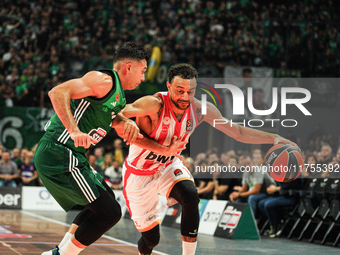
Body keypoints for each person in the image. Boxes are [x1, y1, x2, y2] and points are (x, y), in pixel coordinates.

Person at [121, 63, 297, 255]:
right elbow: (116, 112)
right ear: (169, 87)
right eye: (180, 91)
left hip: (168, 165)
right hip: (139, 173)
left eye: (191, 91)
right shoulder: (153, 104)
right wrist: (126, 122)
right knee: (151, 240)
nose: (185, 97)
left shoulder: (200, 109)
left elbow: (237, 132)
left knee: (190, 195)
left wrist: (275, 138)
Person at [34, 42, 185, 255]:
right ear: (128, 67)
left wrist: (164, 149)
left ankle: (60, 252)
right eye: (142, 71)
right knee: (111, 212)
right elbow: (57, 92)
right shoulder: (103, 80)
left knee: (106, 202)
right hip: (59, 150)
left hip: (73, 155)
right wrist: (75, 130)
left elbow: (125, 130)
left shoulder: (119, 98)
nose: (143, 78)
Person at [229, 153, 276, 217]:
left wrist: (239, 194)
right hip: (255, 193)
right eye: (244, 165)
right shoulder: (246, 172)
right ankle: (238, 220)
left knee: (252, 198)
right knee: (239, 199)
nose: (247, 166)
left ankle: (250, 221)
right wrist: (236, 194)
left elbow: (256, 191)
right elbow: (244, 189)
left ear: (253, 162)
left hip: (267, 192)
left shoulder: (258, 170)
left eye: (248, 163)